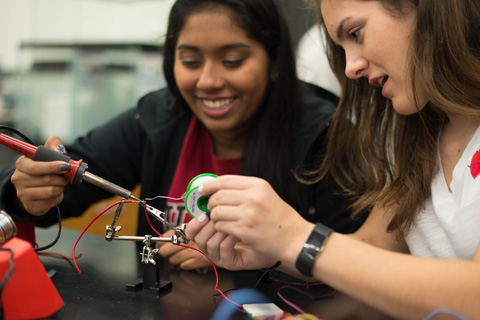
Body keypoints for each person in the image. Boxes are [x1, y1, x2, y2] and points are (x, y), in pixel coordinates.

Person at [0, 0, 363, 271]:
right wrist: (22, 195)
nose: (208, 81)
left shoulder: (325, 135)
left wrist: (263, 259)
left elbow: (358, 263)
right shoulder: (155, 118)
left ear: (274, 61)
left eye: (233, 60)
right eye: (190, 61)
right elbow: (60, 192)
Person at [186, 0, 480, 318]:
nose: (351, 67)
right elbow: (369, 250)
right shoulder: (423, 137)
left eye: (356, 33)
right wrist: (270, 249)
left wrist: (296, 238)